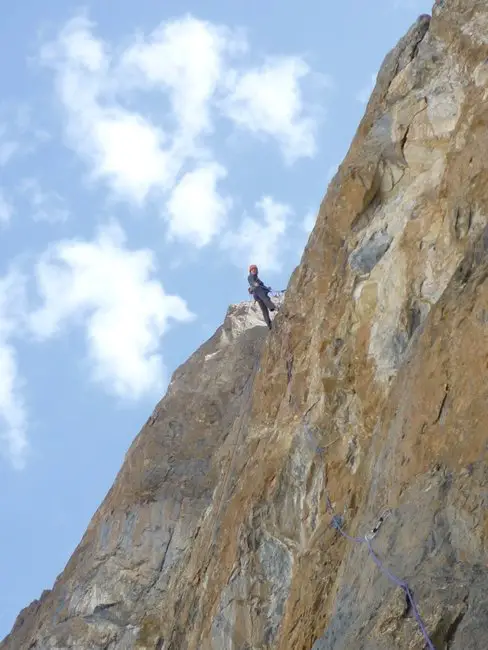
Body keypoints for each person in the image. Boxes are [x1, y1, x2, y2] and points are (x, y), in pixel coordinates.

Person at [248, 264, 276, 329]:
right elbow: (251, 282)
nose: (254, 270)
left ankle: (269, 325)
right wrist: (255, 284)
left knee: (264, 310)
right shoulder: (250, 276)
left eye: (255, 269)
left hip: (257, 296)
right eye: (253, 269)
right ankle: (272, 307)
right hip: (257, 291)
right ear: (250, 271)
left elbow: (263, 286)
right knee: (265, 298)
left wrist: (267, 289)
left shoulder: (258, 279)